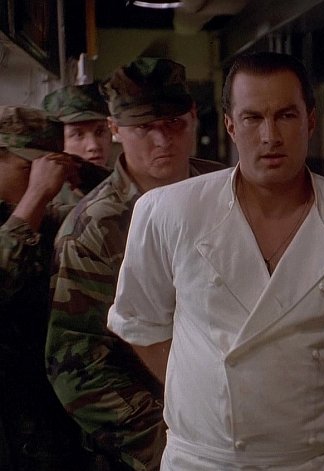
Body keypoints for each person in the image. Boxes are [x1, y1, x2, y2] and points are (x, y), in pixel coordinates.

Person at [105, 51, 324, 470]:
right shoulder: (167, 212)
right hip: (205, 460)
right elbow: (141, 324)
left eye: (286, 116)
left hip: (322, 459)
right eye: (253, 118)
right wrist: (210, 391)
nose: (270, 136)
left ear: (310, 120)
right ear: (230, 125)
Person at [46, 57, 225, 471]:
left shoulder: (227, 192)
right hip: (157, 436)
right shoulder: (93, 230)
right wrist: (169, 446)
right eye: (144, 127)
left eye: (173, 123)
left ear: (193, 116)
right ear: (115, 128)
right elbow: (77, 363)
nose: (162, 140)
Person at [0, 105, 105, 470]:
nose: (45, 181)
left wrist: (86, 176)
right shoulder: (29, 211)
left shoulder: (42, 218)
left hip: (50, 413)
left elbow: (127, 209)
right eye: (27, 168)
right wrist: (35, 196)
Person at [42, 83, 113, 207]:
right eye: (78, 134)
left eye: (100, 132)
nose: (93, 146)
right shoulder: (46, 198)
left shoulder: (128, 184)